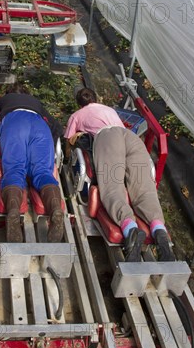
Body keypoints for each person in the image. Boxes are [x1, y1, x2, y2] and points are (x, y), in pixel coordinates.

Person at [64, 87, 175, 262]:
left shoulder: (77, 115)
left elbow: (68, 143)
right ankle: (159, 231)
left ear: (79, 103)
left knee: (111, 187)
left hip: (108, 138)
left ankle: (130, 230)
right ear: (96, 98)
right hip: (131, 138)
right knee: (144, 189)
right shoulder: (109, 109)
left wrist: (67, 159)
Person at [0, 83, 64, 243]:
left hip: (15, 126)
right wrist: (50, 148)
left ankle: (13, 211)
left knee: (14, 170)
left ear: (9, 93)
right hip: (40, 129)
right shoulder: (36, 103)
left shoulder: (5, 100)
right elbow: (57, 127)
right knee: (43, 172)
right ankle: (55, 209)